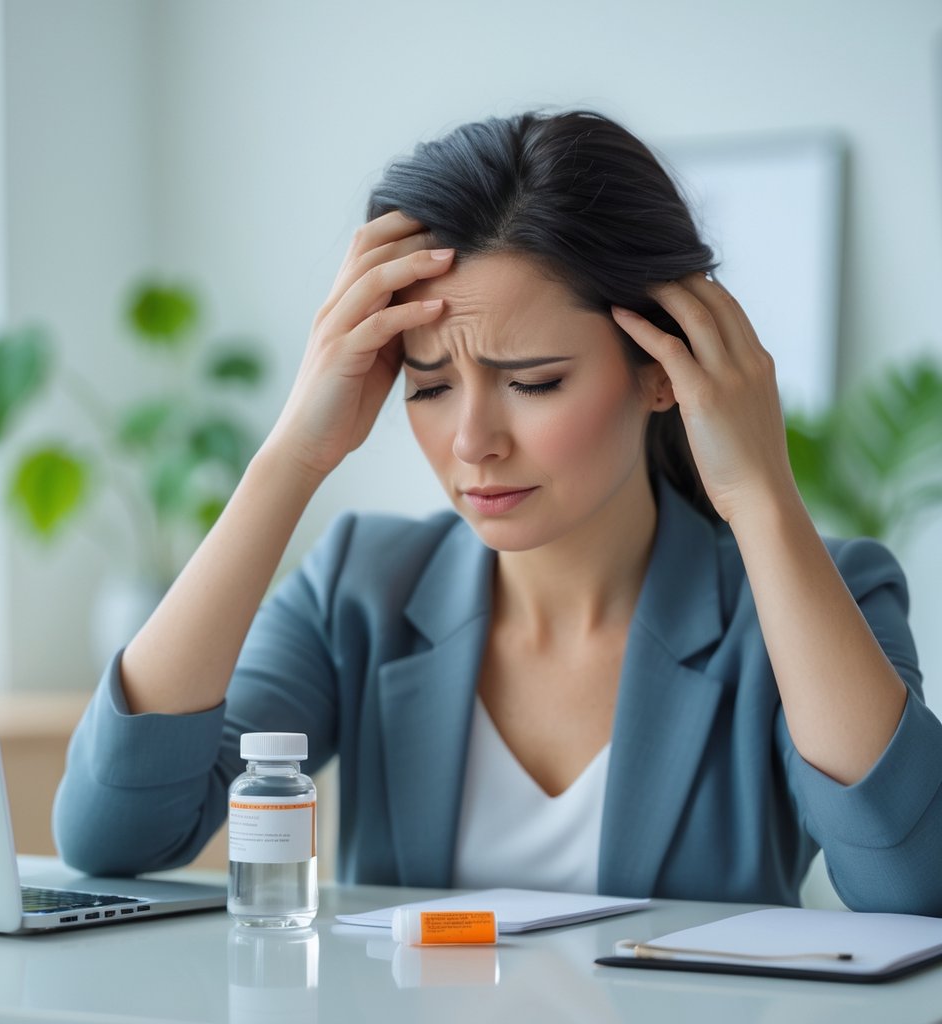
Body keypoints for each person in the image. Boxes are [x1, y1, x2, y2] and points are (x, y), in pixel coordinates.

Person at [53, 110, 942, 914]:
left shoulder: (819, 599)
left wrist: (759, 493)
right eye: (430, 385)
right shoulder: (361, 588)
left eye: (535, 382)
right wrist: (292, 458)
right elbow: (113, 836)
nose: (473, 439)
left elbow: (912, 884)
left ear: (662, 370)